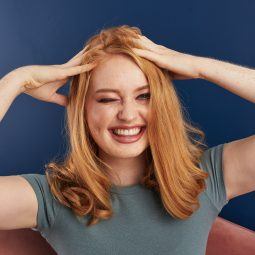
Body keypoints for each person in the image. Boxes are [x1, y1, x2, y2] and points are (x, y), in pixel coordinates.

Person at [0, 25, 254, 255]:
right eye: (108, 99)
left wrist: (201, 68)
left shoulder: (206, 177)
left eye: (144, 96)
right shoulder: (54, 198)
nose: (128, 115)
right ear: (83, 110)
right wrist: (16, 81)